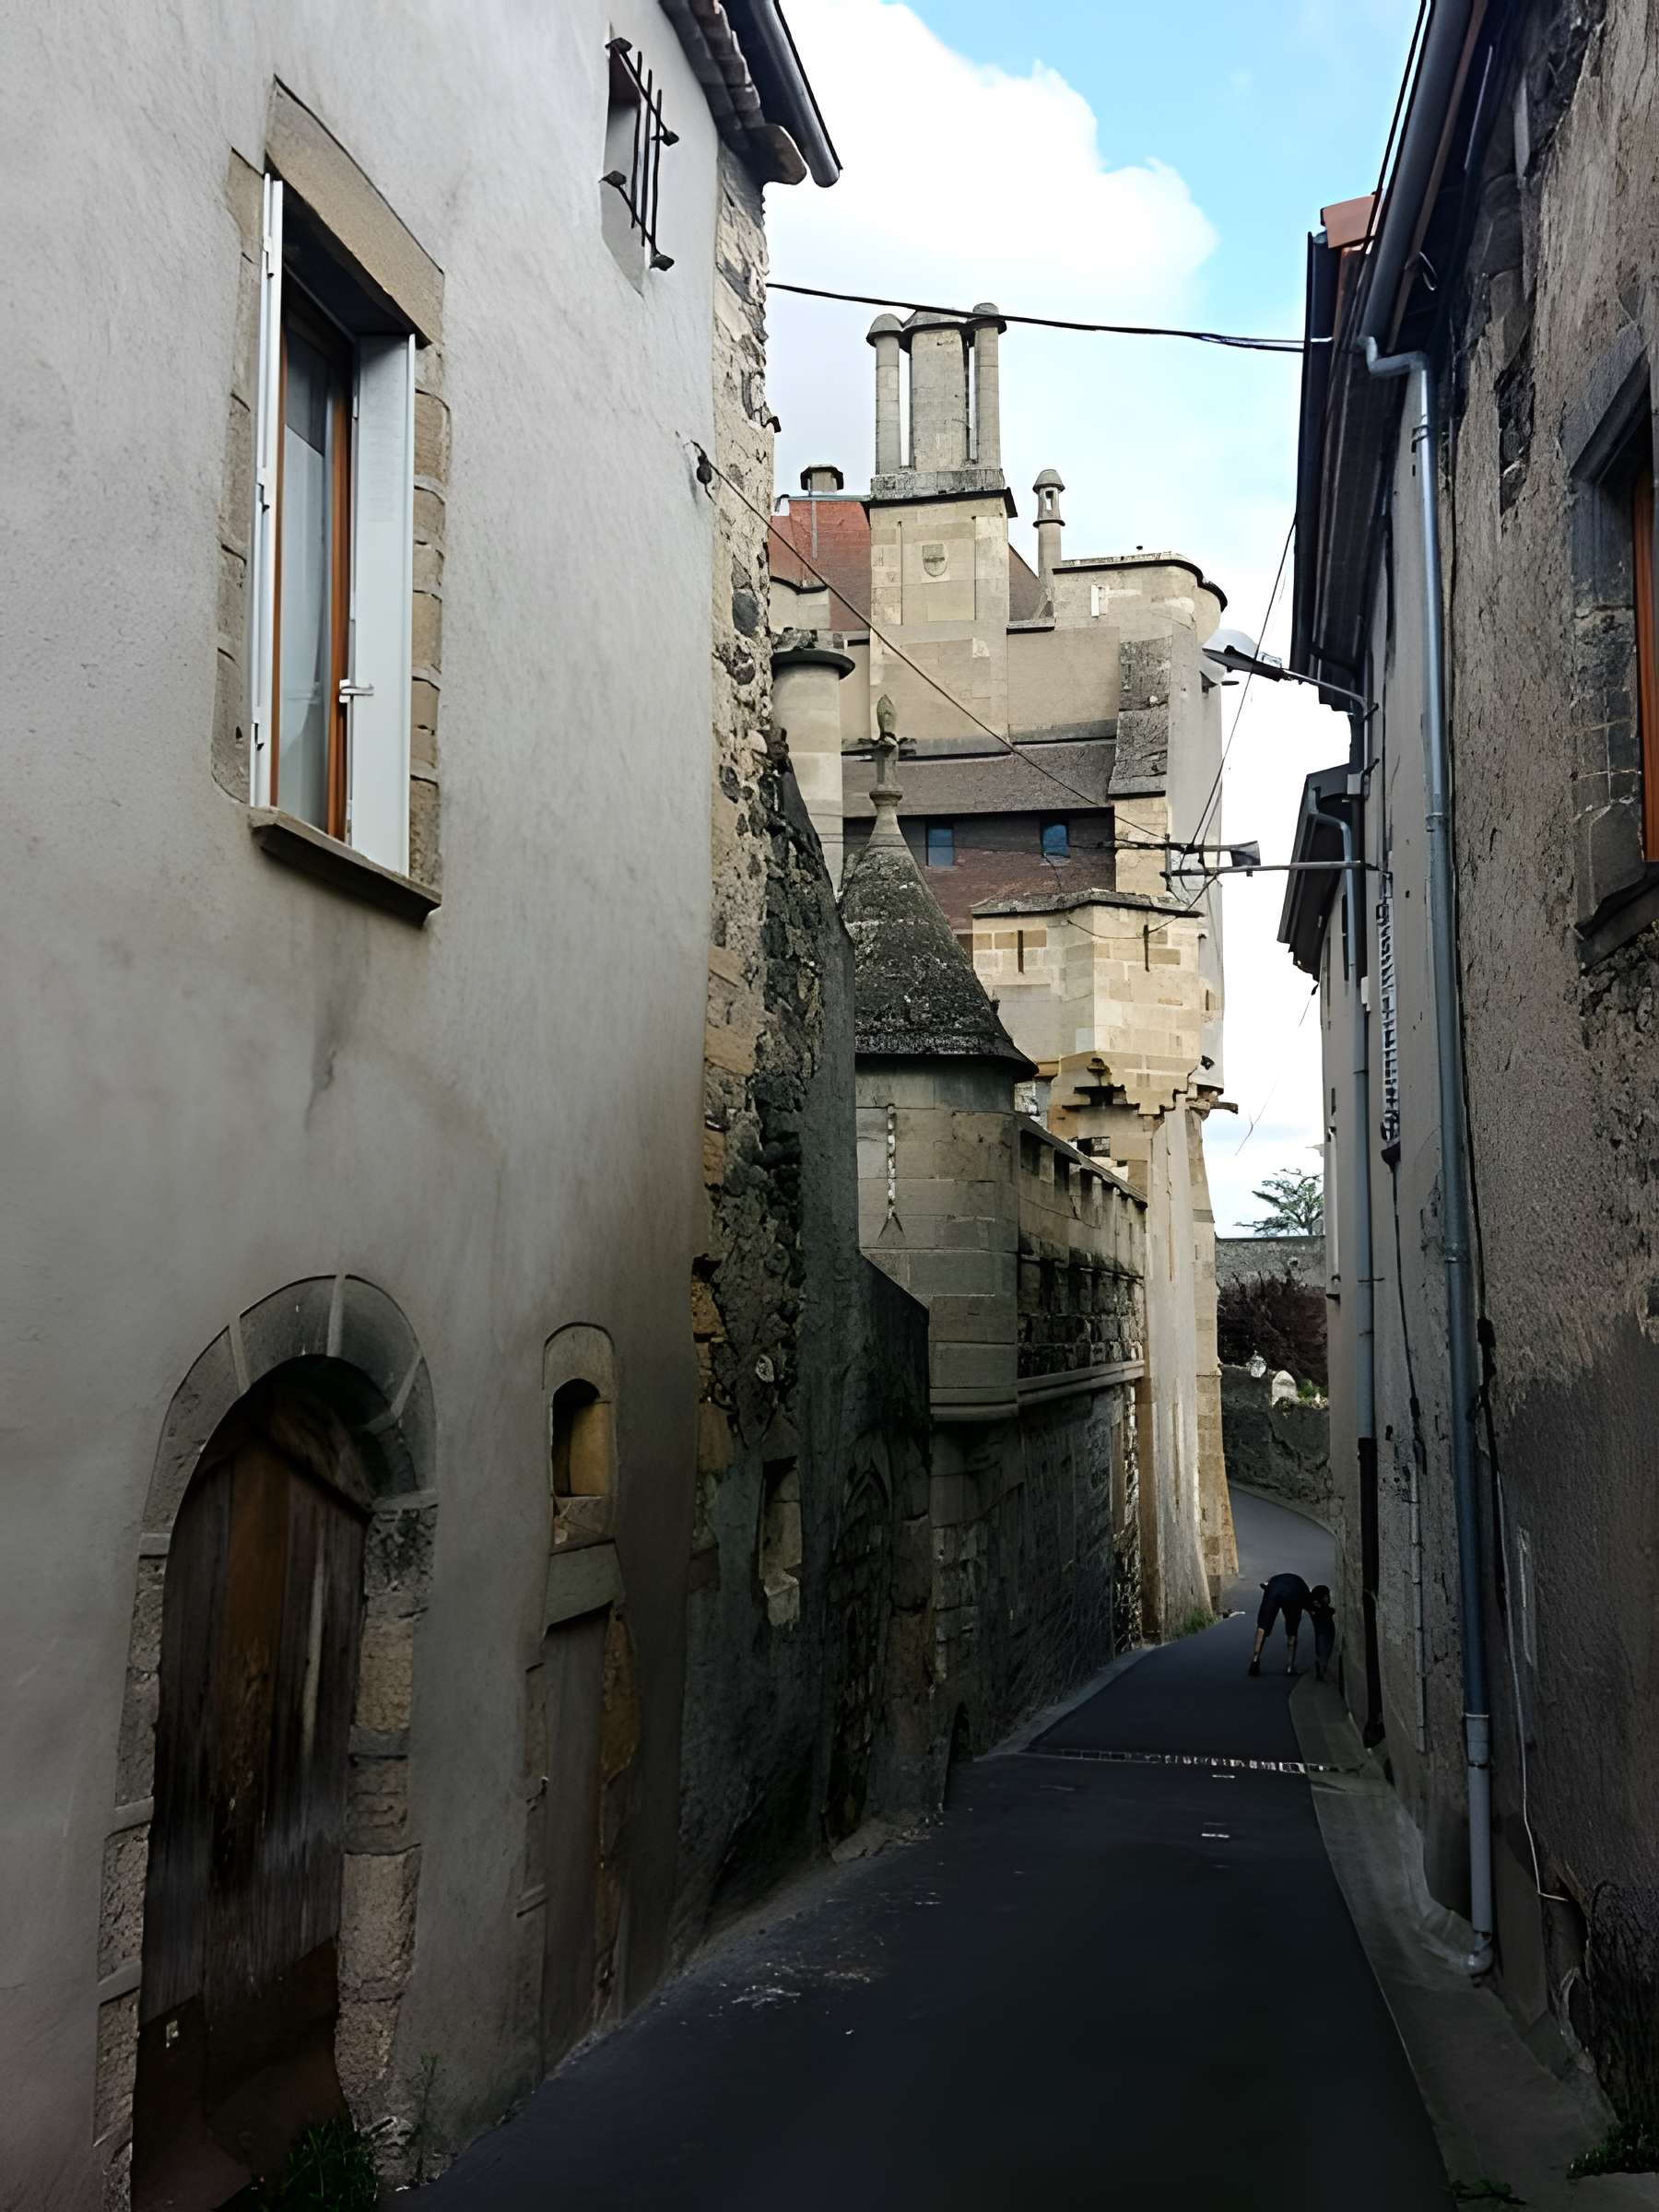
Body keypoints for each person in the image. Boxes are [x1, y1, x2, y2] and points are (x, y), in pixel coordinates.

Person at [1248, 1571, 1311, 1676]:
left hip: (1273, 1592)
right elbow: (1311, 1608)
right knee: (1292, 1629)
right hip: (1294, 1593)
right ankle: (1290, 1666)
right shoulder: (1301, 1585)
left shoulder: (1272, 1583)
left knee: (1262, 1626)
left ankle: (1255, 1659)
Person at [1308, 1583, 1336, 1682]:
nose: (1328, 1598)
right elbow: (1329, 1612)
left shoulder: (1316, 1610)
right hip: (1324, 1633)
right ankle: (1321, 1673)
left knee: (1323, 1653)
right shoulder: (1321, 1611)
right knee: (1324, 1653)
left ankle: (1321, 1672)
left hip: (1323, 1633)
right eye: (1326, 1596)